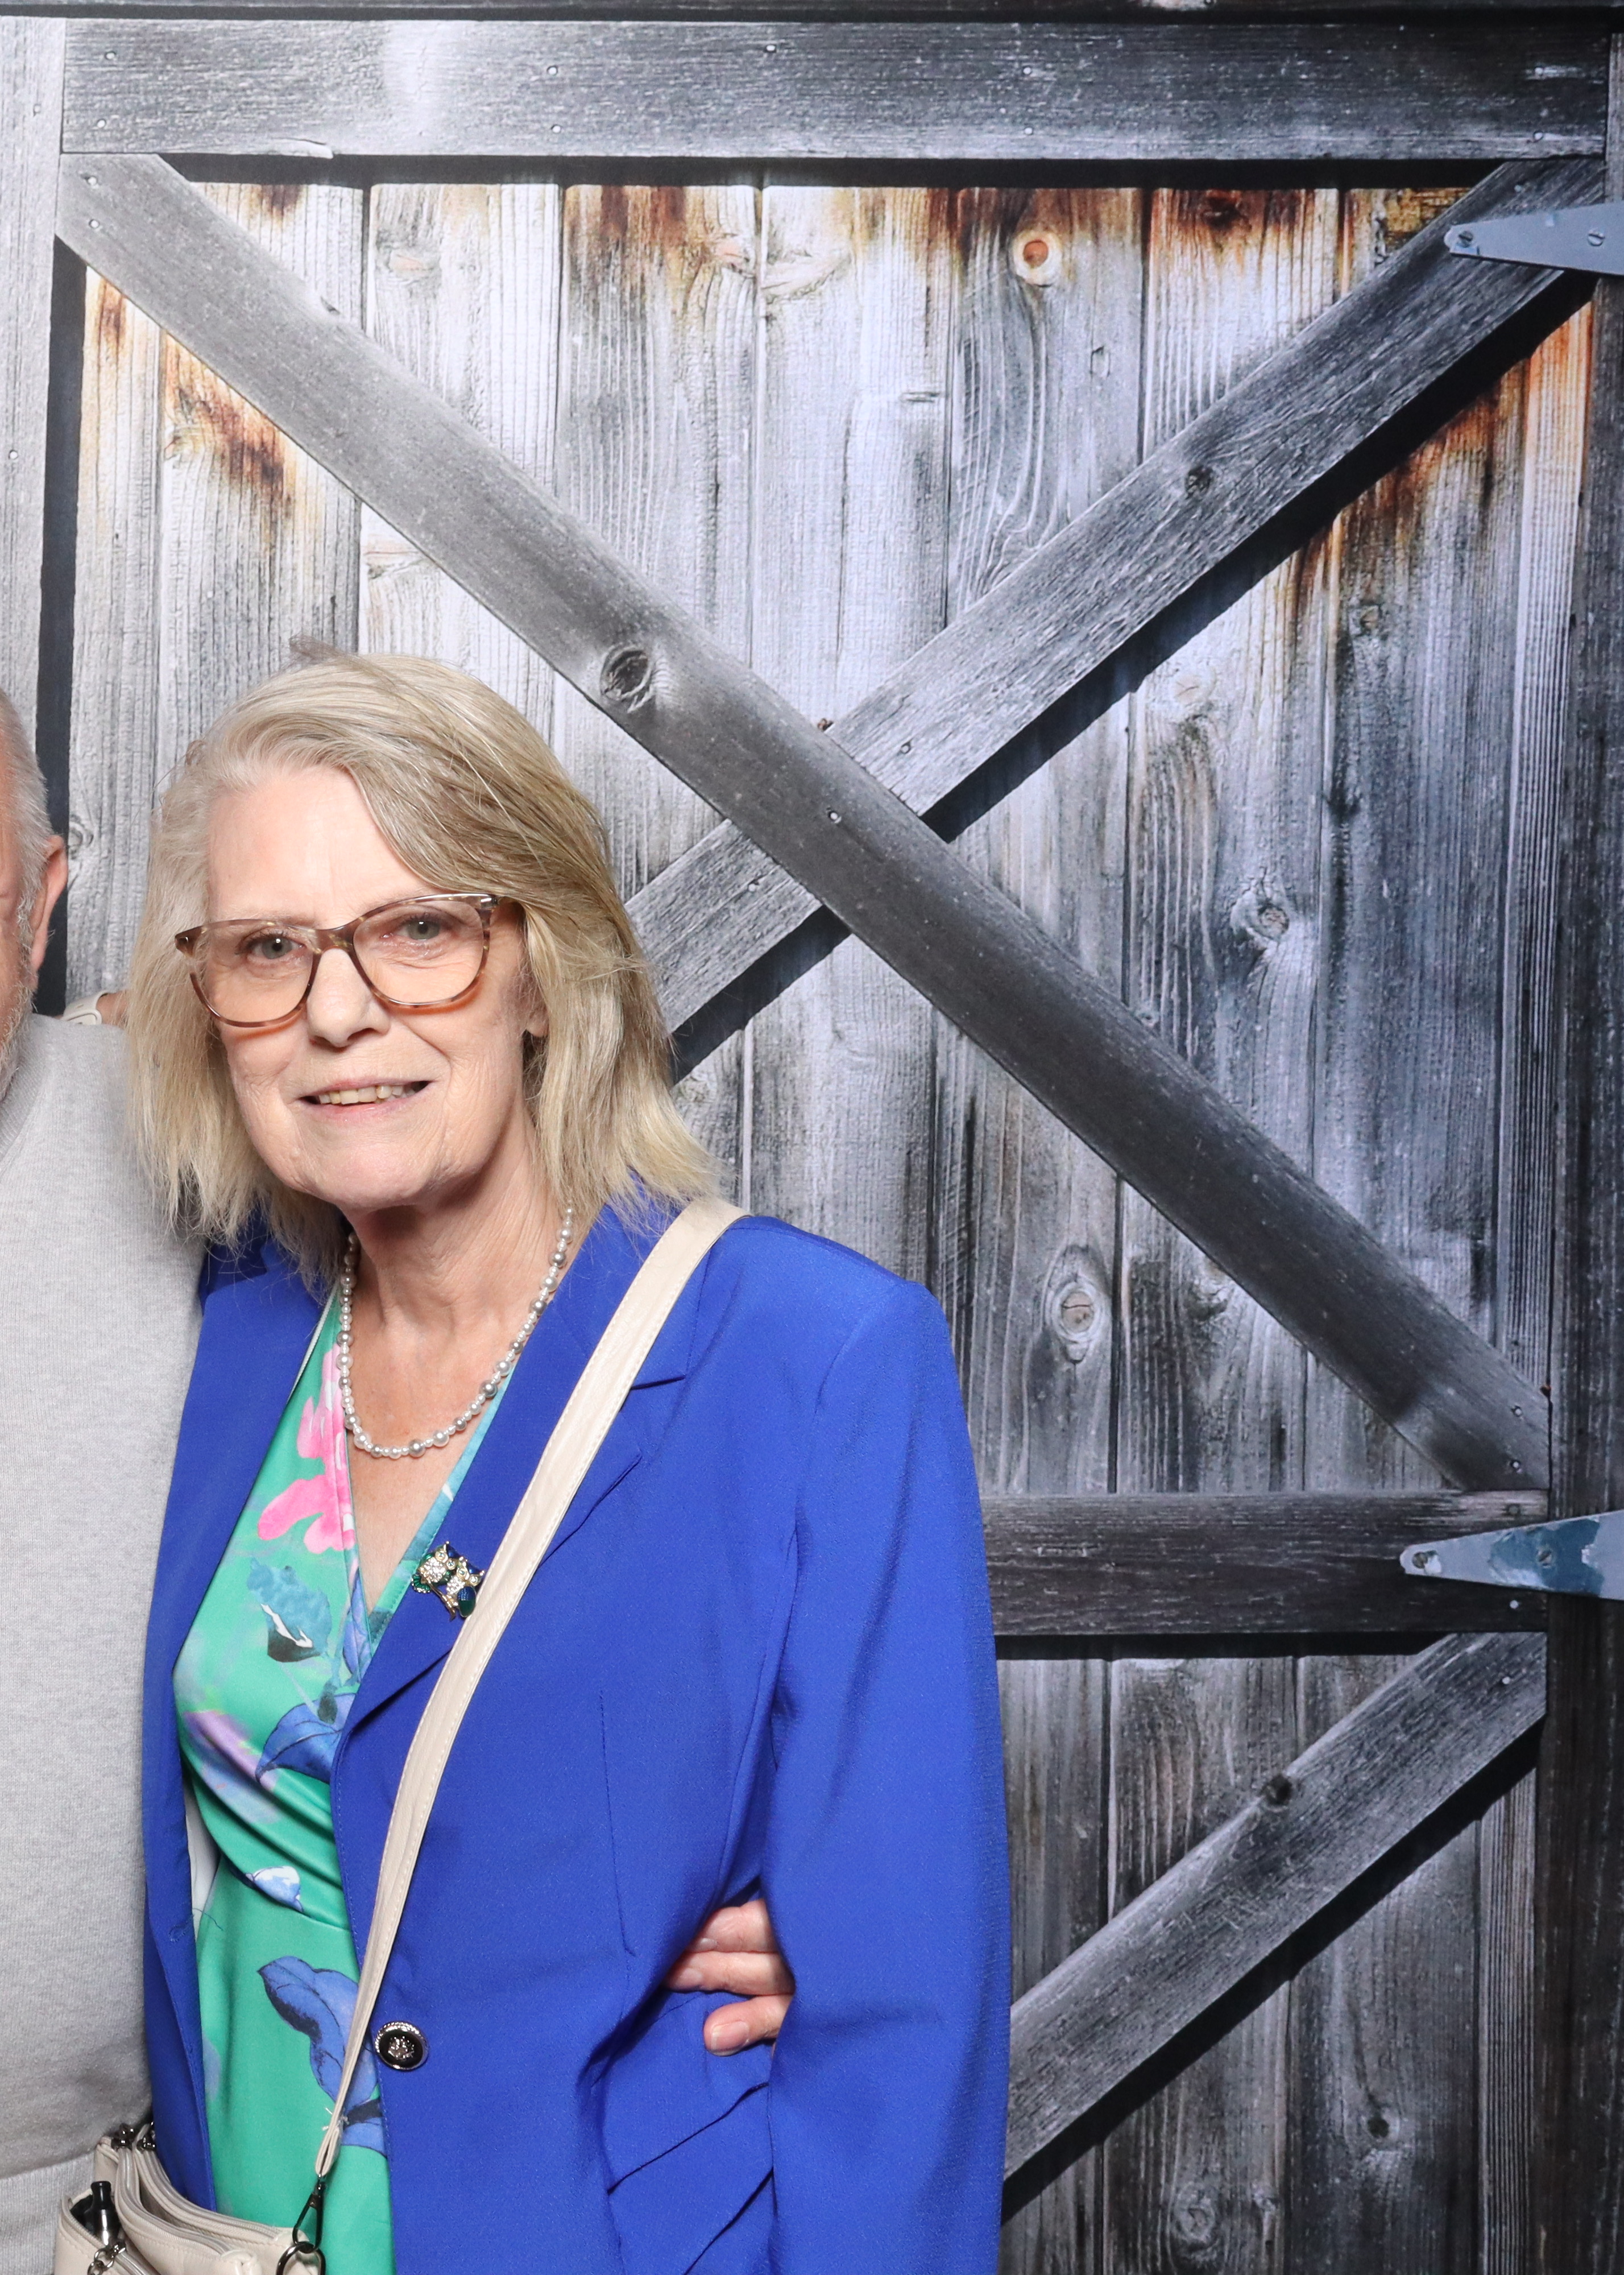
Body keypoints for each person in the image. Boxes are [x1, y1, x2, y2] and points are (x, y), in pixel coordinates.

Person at [0, 622, 801, 2275]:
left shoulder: (232, 1144)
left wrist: (733, 1869)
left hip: (145, 2225)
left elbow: (574, 1409)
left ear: (42, 897)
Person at [126, 652, 1010, 2274]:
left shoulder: (814, 1359)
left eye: (418, 929)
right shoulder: (238, 1340)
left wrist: (792, 1929)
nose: (337, 1010)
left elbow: (903, 2035)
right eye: (266, 949)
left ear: (543, 964)